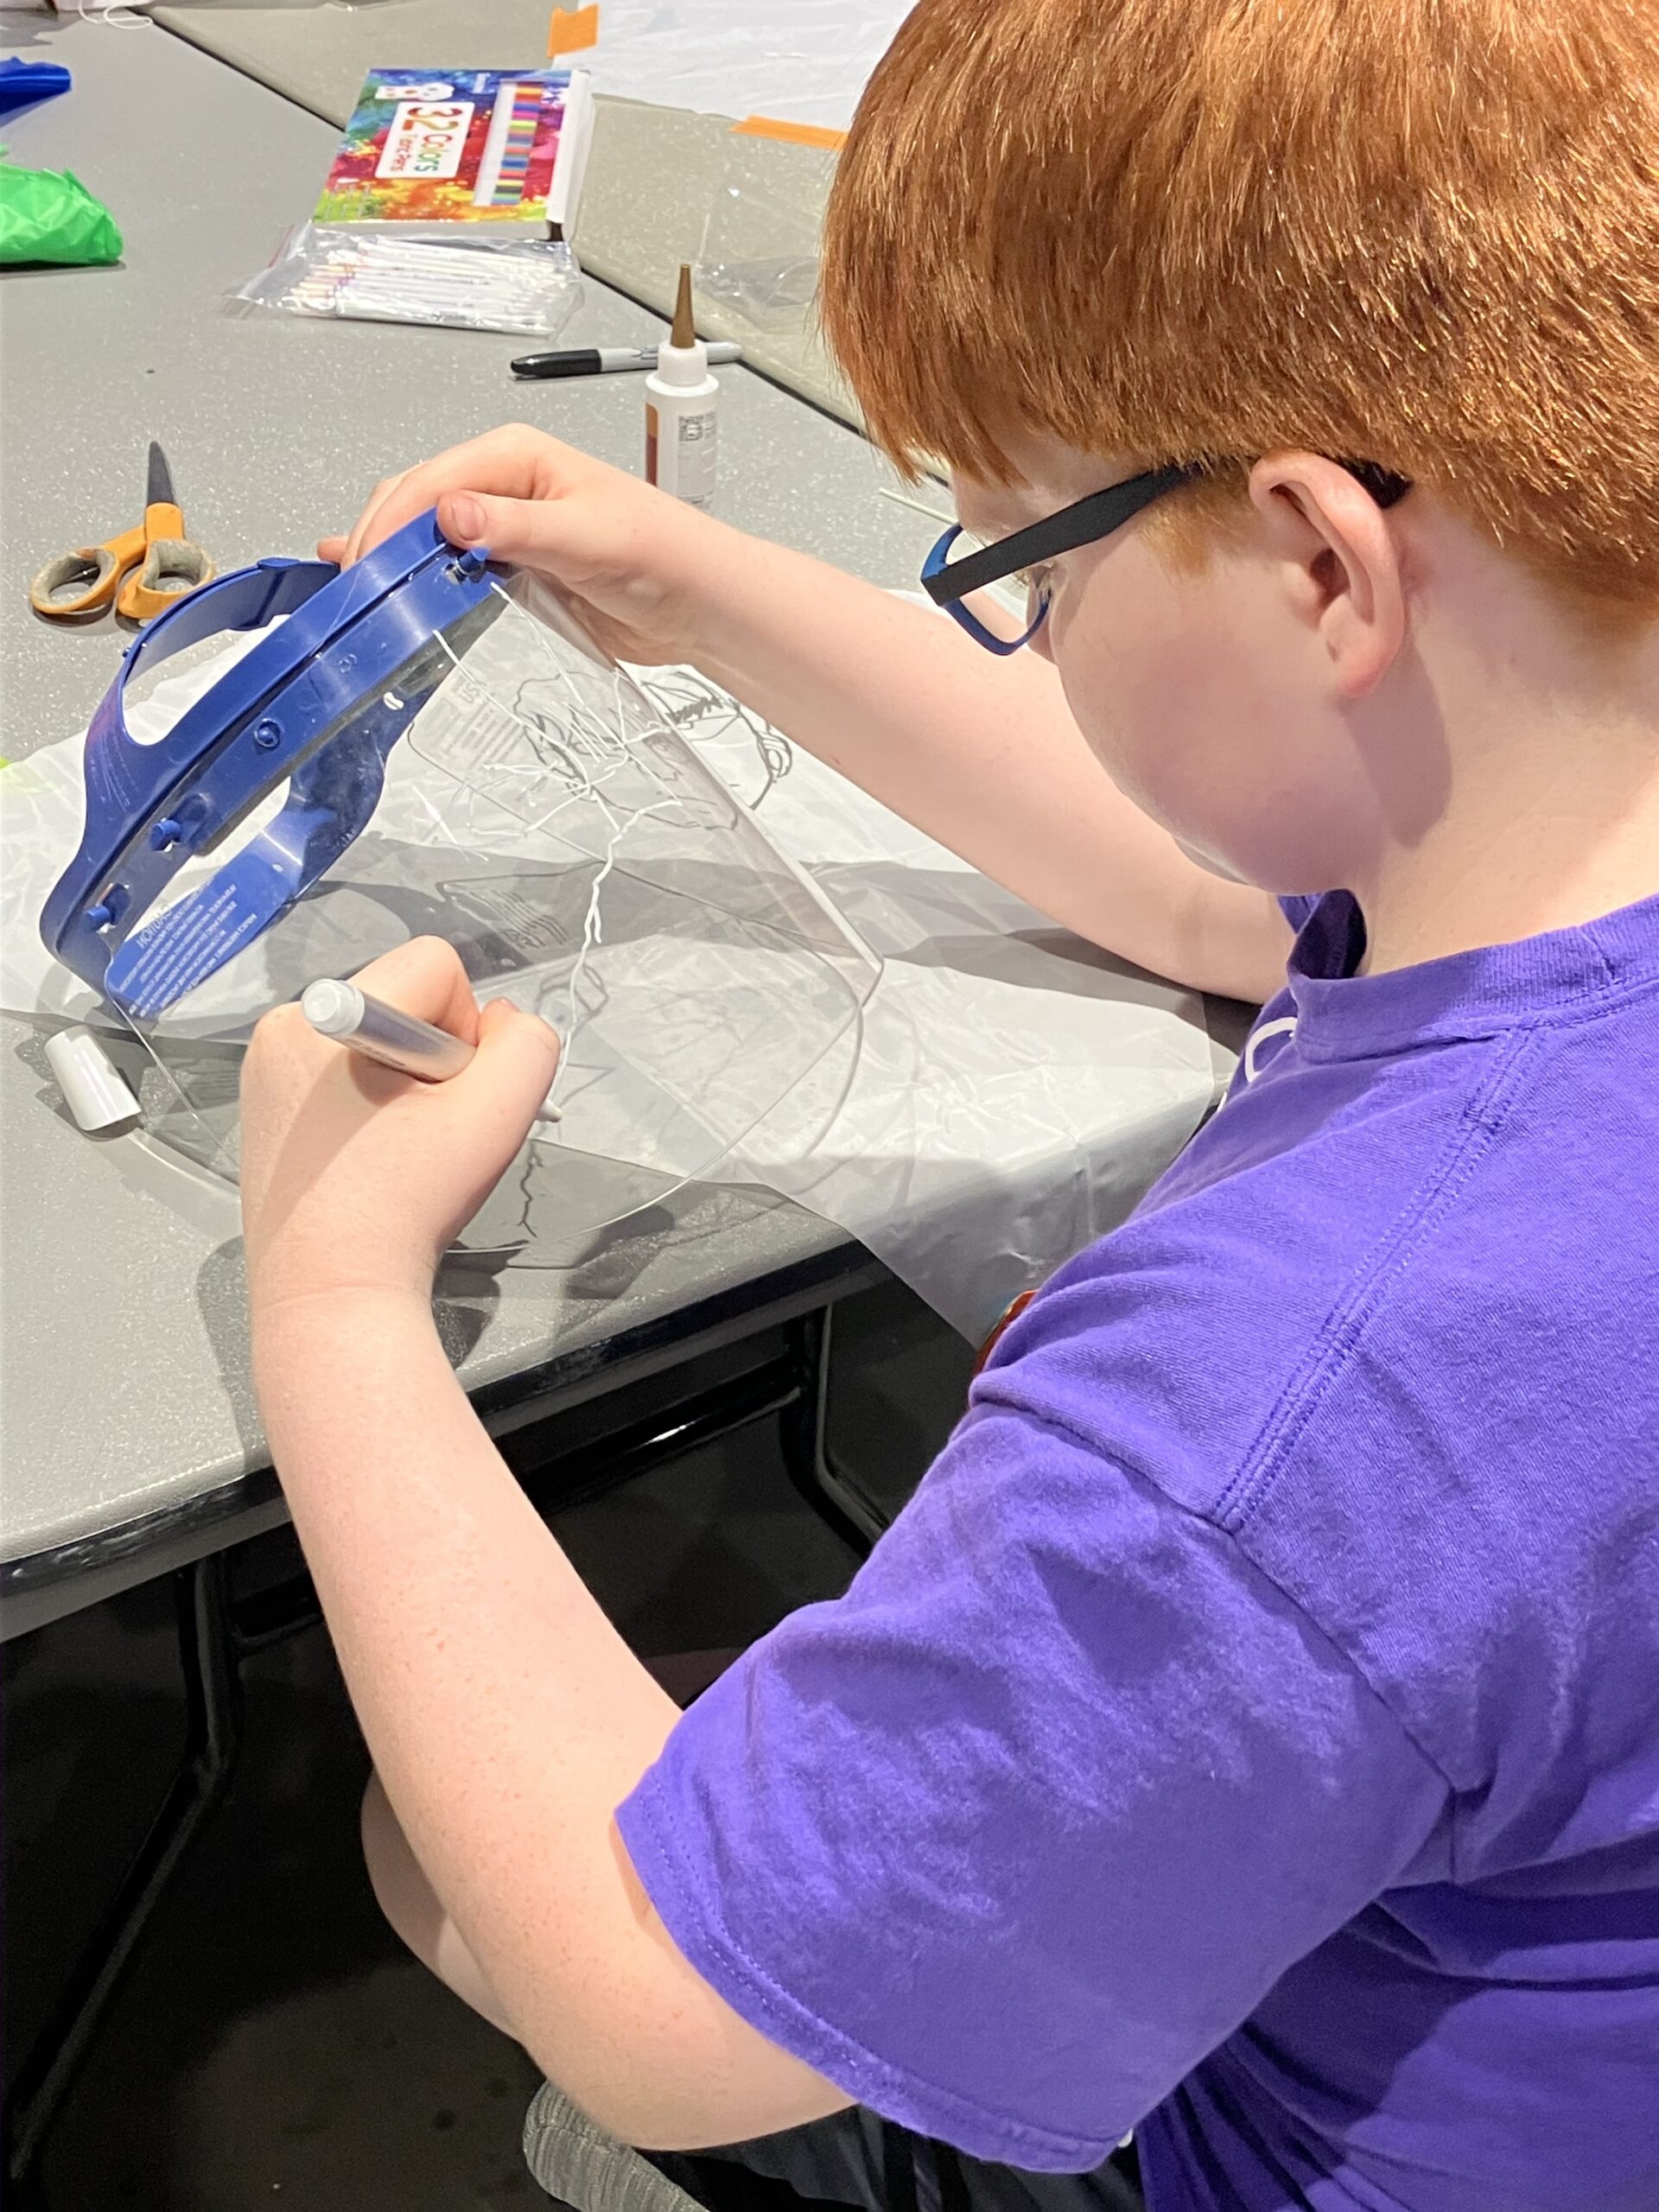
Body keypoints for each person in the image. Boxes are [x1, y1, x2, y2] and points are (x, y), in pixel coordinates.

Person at [236, 2, 1659, 2207]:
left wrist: (330, 1287)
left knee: (447, 1831)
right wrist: (710, 593)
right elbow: (1216, 890)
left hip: (1246, 2140)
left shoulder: (1292, 1406)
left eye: (1028, 563)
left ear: (1318, 564)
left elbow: (648, 1986)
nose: (1024, 630)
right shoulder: (1555, 810)